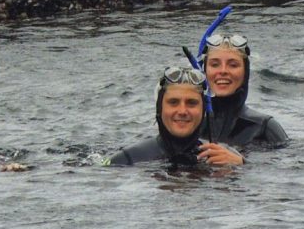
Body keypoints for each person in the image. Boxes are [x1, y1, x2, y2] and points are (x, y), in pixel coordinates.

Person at [105, 65, 243, 166]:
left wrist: (240, 166)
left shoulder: (227, 156)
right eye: (173, 102)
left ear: (203, 110)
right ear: (160, 108)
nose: (182, 111)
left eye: (191, 103)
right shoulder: (126, 159)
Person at [199, 33, 288, 147]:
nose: (223, 71)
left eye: (233, 65)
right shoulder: (190, 124)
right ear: (205, 70)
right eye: (215, 64)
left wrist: (242, 163)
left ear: (245, 72)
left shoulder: (264, 128)